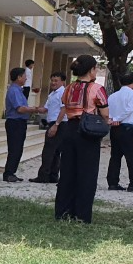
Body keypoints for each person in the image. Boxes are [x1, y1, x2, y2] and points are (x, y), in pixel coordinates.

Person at [50, 55, 109, 222]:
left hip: (69, 129)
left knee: (67, 171)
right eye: (95, 68)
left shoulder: (69, 88)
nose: (96, 71)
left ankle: (62, 212)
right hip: (87, 131)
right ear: (91, 70)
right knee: (87, 173)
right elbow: (105, 113)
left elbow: (65, 104)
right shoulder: (97, 89)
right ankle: (82, 214)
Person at [105, 73, 133, 192]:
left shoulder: (112, 96)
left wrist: (113, 119)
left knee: (115, 156)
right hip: (127, 128)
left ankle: (113, 182)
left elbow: (108, 109)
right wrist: (118, 118)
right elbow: (129, 109)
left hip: (114, 128)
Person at [2, 66, 46, 182]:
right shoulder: (14, 90)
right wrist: (36, 109)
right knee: (15, 148)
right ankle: (9, 173)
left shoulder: (19, 90)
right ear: (18, 77)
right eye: (24, 76)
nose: (26, 79)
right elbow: (20, 109)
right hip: (15, 122)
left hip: (20, 122)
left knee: (18, 148)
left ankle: (12, 172)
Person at [30, 72, 67, 183]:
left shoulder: (63, 93)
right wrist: (34, 109)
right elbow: (45, 109)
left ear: (62, 81)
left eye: (56, 80)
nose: (53, 83)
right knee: (55, 151)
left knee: (49, 150)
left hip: (59, 123)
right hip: (53, 122)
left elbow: (64, 109)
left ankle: (43, 175)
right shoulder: (52, 94)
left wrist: (56, 125)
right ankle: (53, 175)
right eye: (52, 80)